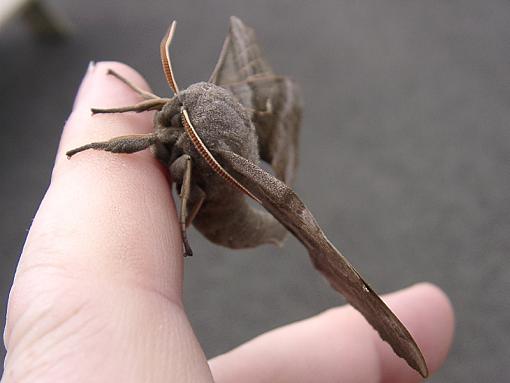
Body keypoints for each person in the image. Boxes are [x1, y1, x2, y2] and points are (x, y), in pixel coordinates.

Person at [2, 62, 454, 382]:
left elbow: (184, 168)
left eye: (175, 113)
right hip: (211, 153)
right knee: (171, 138)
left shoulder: (199, 154)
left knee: (184, 172)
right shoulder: (185, 119)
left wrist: (180, 222)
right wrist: (112, 118)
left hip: (225, 214)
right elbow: (170, 115)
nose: (164, 114)